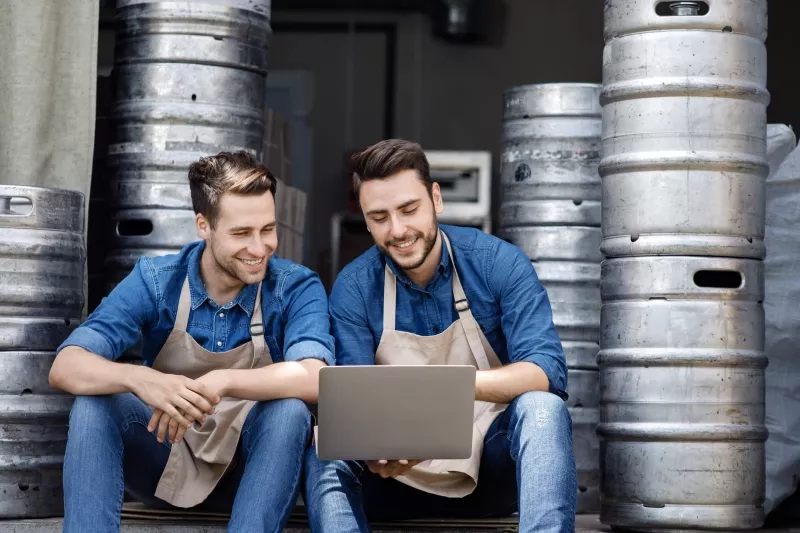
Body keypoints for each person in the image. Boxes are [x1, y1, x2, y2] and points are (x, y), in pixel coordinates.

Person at [49, 151, 334, 533]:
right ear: (204, 225)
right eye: (241, 233)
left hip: (251, 475)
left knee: (290, 412)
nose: (260, 247)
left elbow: (316, 377)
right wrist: (140, 380)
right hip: (165, 463)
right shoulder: (156, 280)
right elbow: (66, 365)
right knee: (94, 406)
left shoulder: (294, 287)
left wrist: (223, 381)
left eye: (267, 229)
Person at [303, 139, 576, 533]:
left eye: (409, 210)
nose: (397, 230)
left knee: (543, 410)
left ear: (436, 198)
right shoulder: (355, 287)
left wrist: (450, 390)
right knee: (323, 448)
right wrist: (377, 449)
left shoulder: (497, 263)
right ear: (364, 219)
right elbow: (353, 402)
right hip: (393, 480)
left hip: (487, 472)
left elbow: (545, 371)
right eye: (379, 217)